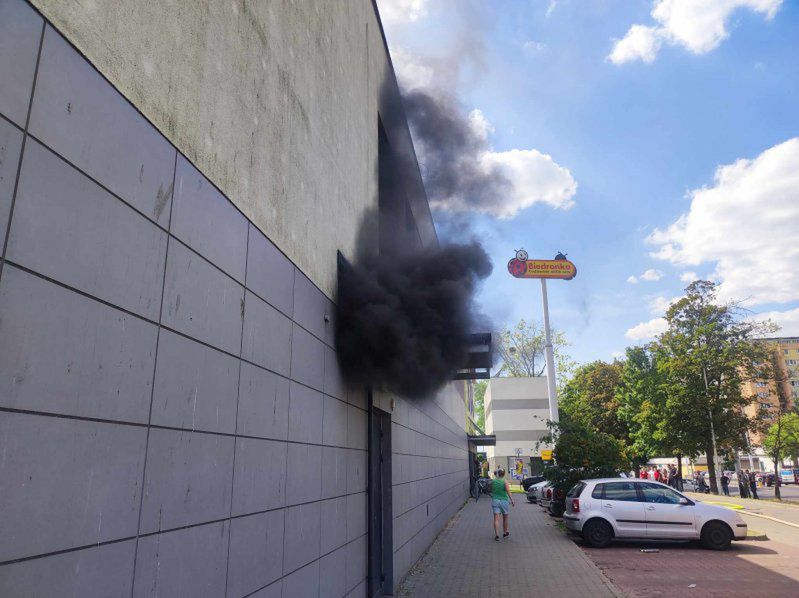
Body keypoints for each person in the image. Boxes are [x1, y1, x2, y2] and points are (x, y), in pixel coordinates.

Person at [490, 468, 515, 541]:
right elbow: (508, 491)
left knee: (496, 519)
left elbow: (491, 489)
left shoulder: (493, 481)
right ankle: (505, 532)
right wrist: (512, 500)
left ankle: (497, 535)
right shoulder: (505, 481)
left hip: (495, 500)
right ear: (504, 474)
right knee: (505, 517)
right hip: (504, 501)